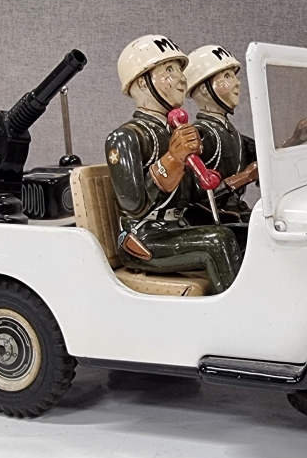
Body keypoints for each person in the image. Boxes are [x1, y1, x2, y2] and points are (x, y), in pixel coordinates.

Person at [106, 35, 242, 294]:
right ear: (142, 82)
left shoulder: (175, 131)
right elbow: (133, 204)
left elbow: (189, 196)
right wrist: (173, 159)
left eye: (179, 70)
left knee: (246, 234)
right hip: (144, 236)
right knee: (218, 241)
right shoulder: (125, 138)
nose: (181, 78)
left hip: (177, 225)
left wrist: (207, 176)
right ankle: (238, 314)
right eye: (169, 70)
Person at [184, 45, 259, 224]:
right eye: (226, 76)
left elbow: (262, 157)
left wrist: (294, 140)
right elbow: (196, 198)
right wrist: (244, 177)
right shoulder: (201, 135)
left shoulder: (230, 132)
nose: (237, 83)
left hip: (237, 212)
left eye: (234, 76)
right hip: (214, 220)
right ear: (204, 88)